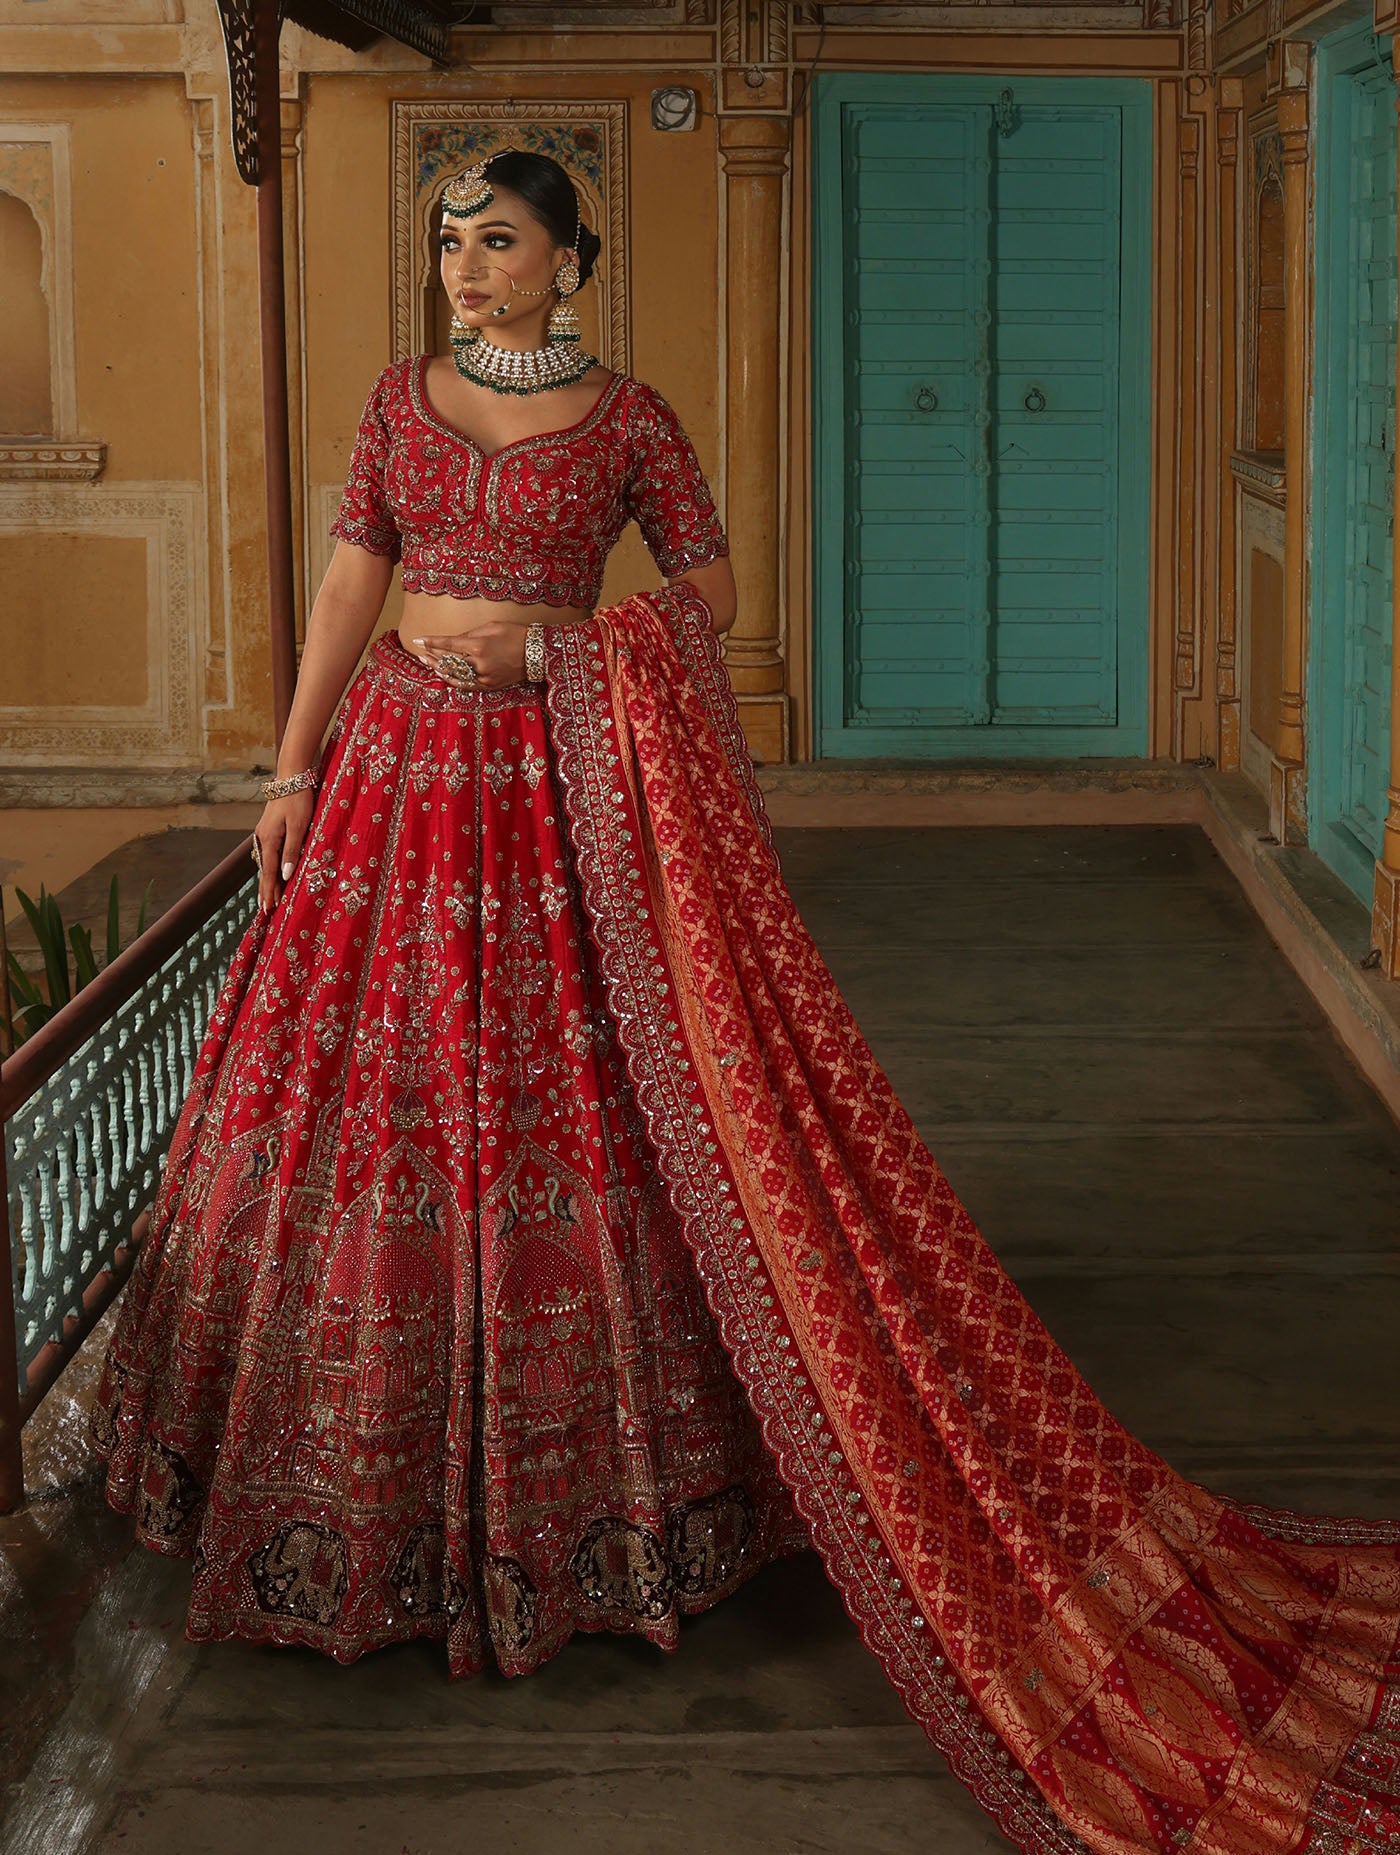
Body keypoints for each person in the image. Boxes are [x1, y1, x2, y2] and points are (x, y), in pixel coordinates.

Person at [89, 149, 1400, 1855]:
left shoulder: (630, 420)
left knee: (593, 1120)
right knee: (372, 1118)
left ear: (572, 261)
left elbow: (706, 598)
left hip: (565, 809)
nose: (463, 270)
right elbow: (352, 580)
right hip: (398, 788)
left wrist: (559, 654)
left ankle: (631, 1499)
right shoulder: (392, 406)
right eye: (446, 242)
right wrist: (287, 767)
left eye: (499, 243)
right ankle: (351, 1489)